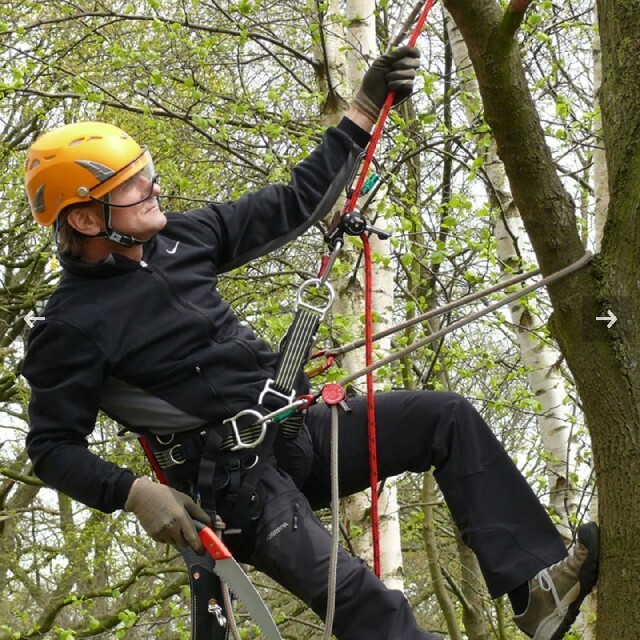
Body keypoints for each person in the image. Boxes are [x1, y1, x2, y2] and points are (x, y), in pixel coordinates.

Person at [22, 46, 598, 640]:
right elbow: (51, 447)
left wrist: (365, 107)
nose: (153, 188)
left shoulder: (184, 237)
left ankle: (537, 589)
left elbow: (295, 201)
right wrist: (135, 491)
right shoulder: (70, 327)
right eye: (132, 186)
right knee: (364, 600)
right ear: (88, 221)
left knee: (444, 417)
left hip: (298, 430)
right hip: (238, 486)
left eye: (147, 174)